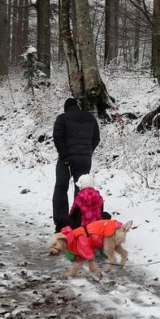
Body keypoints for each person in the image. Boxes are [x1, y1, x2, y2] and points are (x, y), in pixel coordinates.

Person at [52, 97, 100, 232]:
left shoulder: (62, 118)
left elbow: (58, 138)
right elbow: (96, 138)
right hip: (84, 159)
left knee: (61, 188)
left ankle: (61, 222)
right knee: (81, 190)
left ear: (65, 108)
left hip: (66, 160)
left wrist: (64, 156)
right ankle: (79, 221)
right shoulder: (90, 118)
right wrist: (88, 151)